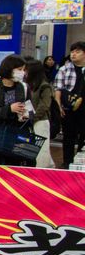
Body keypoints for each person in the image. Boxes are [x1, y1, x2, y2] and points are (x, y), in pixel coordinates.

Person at [54, 41, 85, 169]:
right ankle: (67, 163)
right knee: (68, 137)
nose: (73, 54)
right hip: (69, 109)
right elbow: (58, 89)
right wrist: (59, 106)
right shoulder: (64, 69)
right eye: (72, 51)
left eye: (77, 51)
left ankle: (81, 163)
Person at [26, 60, 55, 168]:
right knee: (37, 148)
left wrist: (33, 118)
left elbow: (44, 105)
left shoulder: (44, 86)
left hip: (41, 121)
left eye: (26, 70)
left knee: (42, 149)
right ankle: (50, 167)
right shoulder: (31, 86)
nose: (24, 72)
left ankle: (42, 171)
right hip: (32, 120)